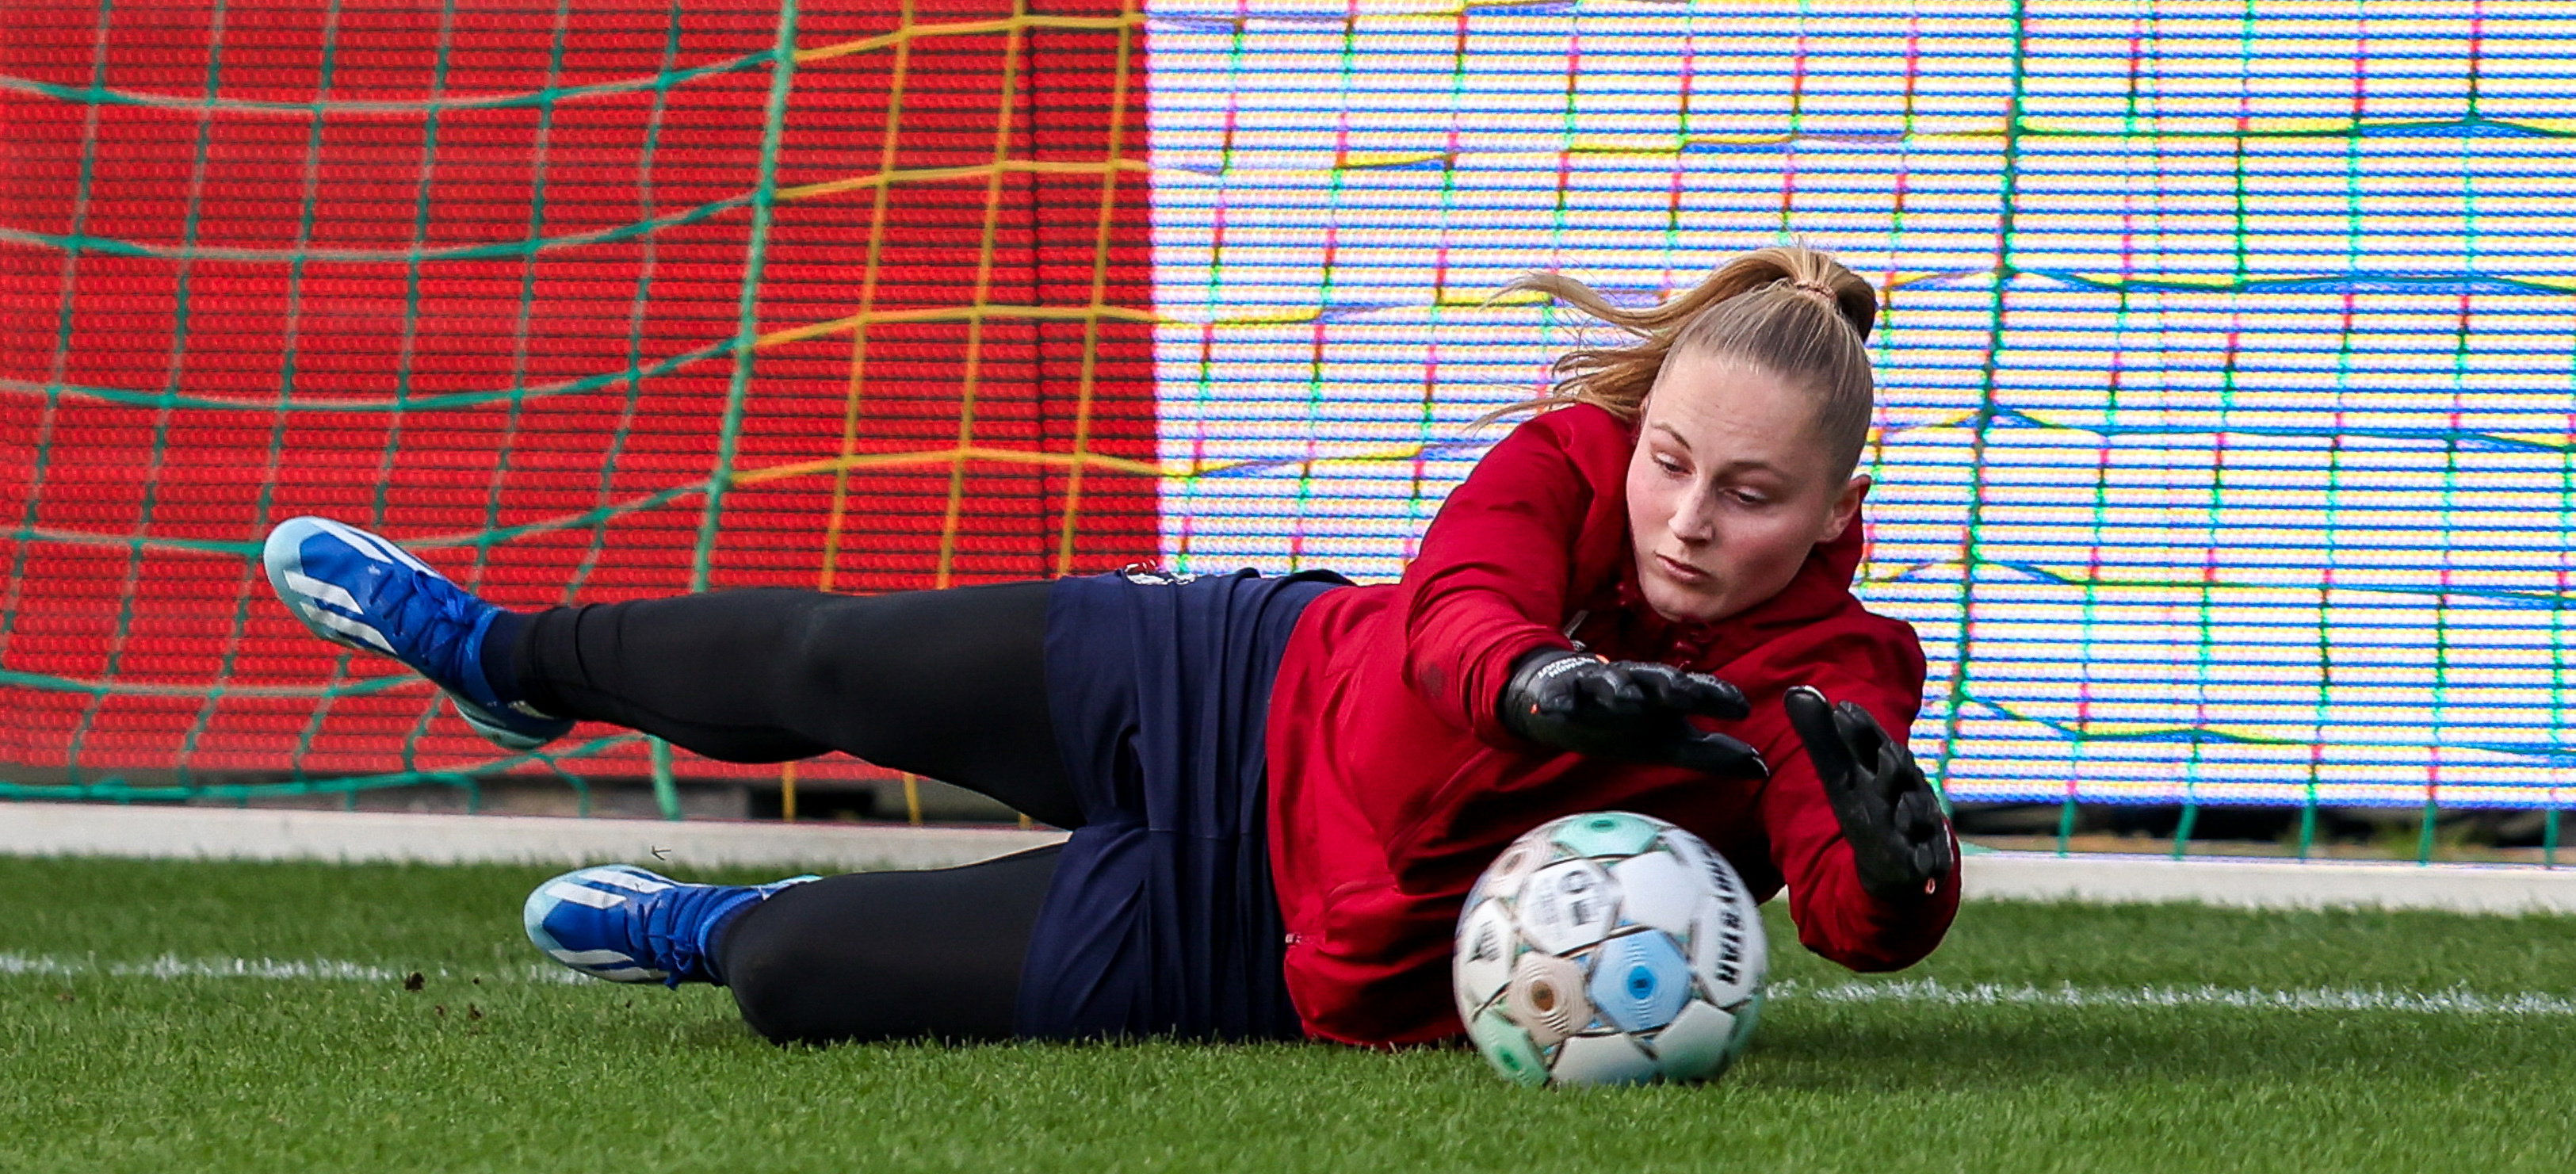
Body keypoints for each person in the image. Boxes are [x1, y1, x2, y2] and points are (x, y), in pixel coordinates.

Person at [261, 241, 1956, 1050]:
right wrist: (1532, 684)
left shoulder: (1836, 675)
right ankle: (505, 656)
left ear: (1832, 507)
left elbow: (1842, 895)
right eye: (1670, 461)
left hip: (1260, 942)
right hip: (1232, 686)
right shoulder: (1563, 463)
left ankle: (708, 923)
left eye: (1747, 496)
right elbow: (1457, 611)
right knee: (838, 666)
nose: (1684, 518)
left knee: (793, 980)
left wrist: (1896, 887)